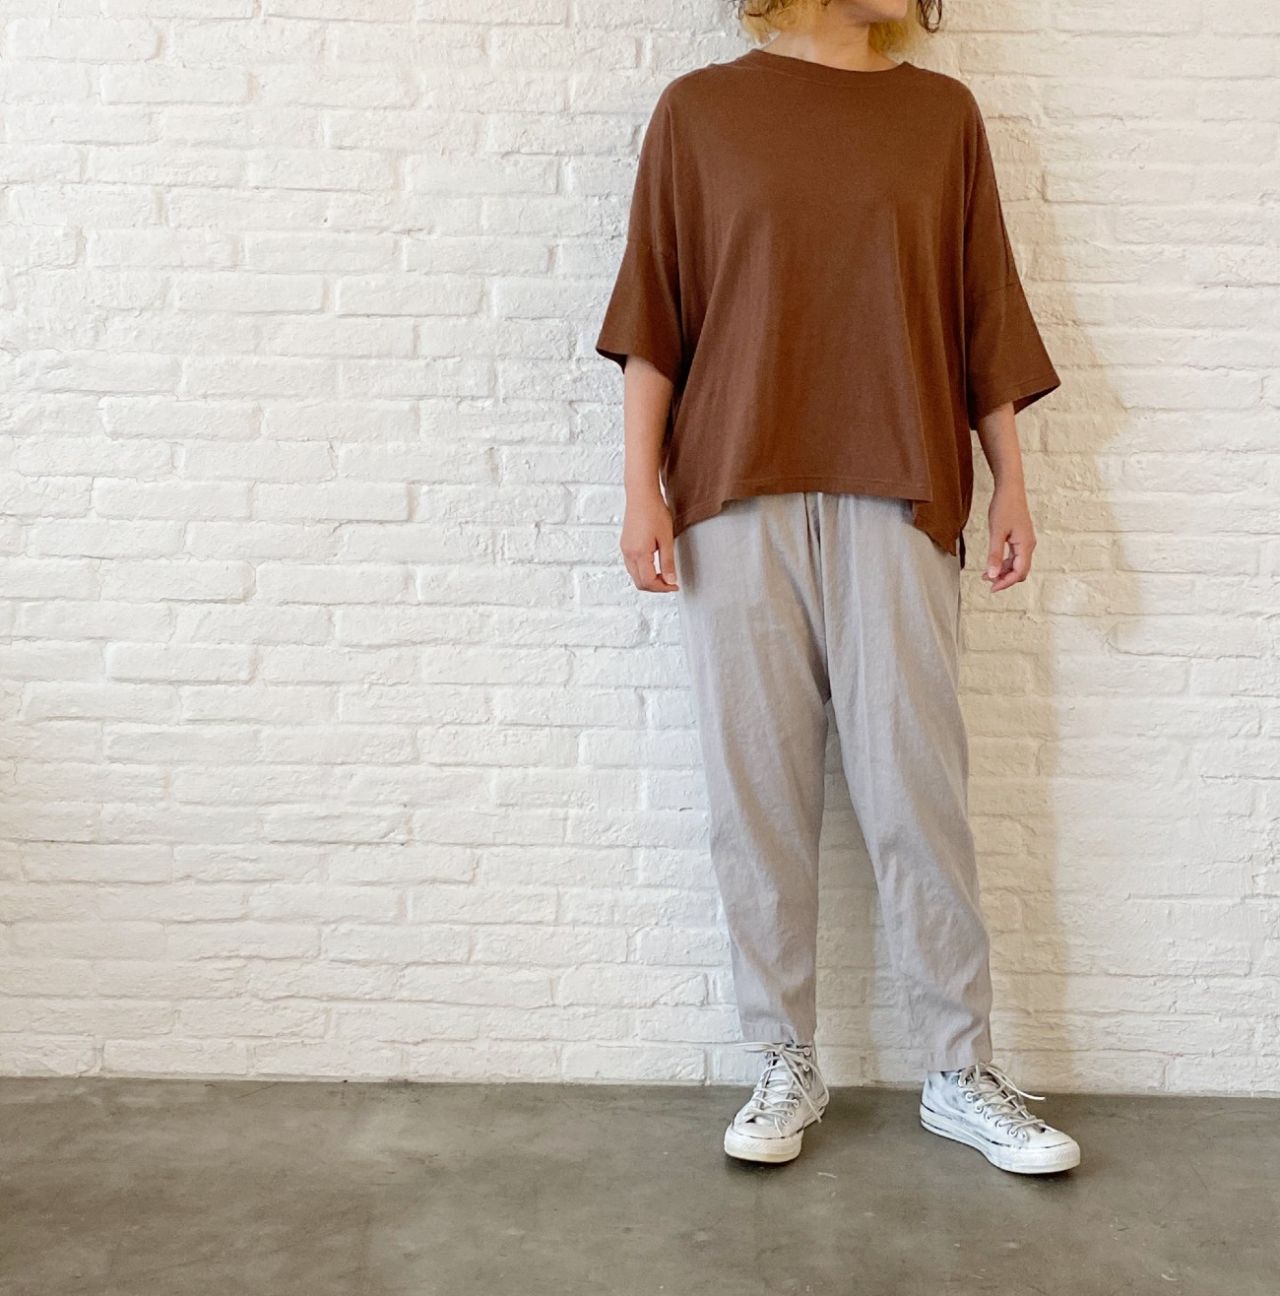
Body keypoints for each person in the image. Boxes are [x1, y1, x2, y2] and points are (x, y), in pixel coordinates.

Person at [594, 0, 1080, 1175]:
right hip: (732, 492)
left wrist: (1011, 483)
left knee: (918, 792)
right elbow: (657, 316)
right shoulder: (700, 113)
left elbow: (981, 309)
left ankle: (956, 1069)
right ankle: (781, 1057)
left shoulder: (940, 117)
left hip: (901, 489)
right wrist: (638, 489)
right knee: (753, 794)